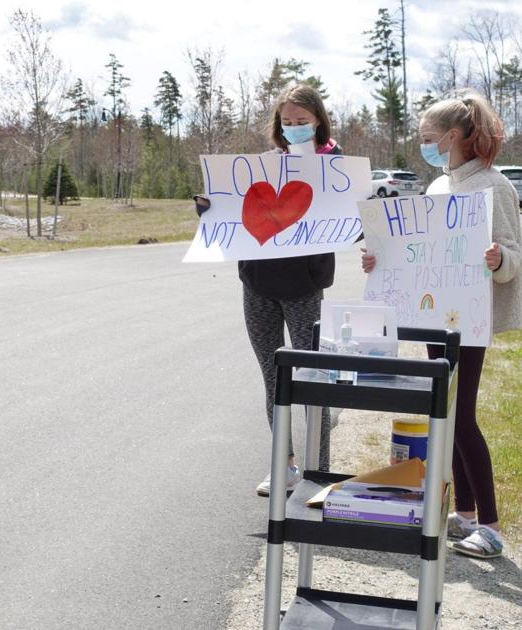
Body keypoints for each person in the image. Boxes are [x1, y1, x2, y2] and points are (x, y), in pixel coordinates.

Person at [362, 91, 521, 559]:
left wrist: (498, 259)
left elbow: (514, 254)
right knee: (443, 413)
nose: (423, 145)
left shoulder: (494, 186)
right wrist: (378, 260)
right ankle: (465, 515)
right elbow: (412, 254)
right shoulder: (436, 189)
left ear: (454, 136)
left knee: (462, 415)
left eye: (429, 138)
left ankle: (491, 526)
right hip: (433, 319)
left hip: (468, 321)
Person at [194, 84, 339, 496]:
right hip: (257, 283)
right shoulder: (261, 167)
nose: (293, 129)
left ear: (318, 121)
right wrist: (210, 207)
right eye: (287, 122)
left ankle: (318, 471)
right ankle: (285, 465)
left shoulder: (337, 166)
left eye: (302, 122)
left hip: (305, 287)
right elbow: (234, 211)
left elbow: (352, 221)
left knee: (312, 379)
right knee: (273, 378)